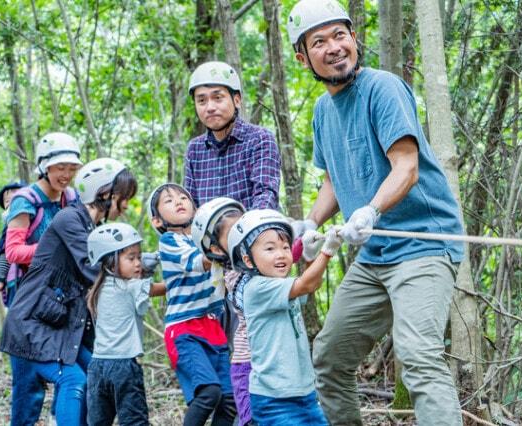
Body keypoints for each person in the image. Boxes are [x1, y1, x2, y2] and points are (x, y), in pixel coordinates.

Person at [287, 1, 466, 425]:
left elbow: (406, 164)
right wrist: (311, 222)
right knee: (329, 358)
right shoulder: (321, 112)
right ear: (303, 57)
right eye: (319, 41)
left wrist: (370, 210)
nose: (334, 47)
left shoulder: (382, 88)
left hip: (424, 244)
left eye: (340, 35)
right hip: (375, 258)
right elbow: (333, 179)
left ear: (354, 38)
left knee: (419, 358)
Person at [0, 158, 138, 426]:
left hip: (57, 325)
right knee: (72, 379)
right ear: (105, 193)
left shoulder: (91, 227)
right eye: (124, 197)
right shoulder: (69, 219)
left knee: (93, 373)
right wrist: (138, 276)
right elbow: (95, 270)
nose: (126, 204)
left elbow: (110, 265)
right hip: (32, 324)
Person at [226, 209, 342, 426]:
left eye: (286, 247)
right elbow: (306, 284)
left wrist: (308, 256)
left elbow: (309, 287)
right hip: (274, 398)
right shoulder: (256, 288)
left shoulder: (283, 287)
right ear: (248, 260)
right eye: (269, 249)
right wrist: (328, 251)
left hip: (304, 393)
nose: (280, 254)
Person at [148, 183, 236, 426]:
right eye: (168, 200)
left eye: (183, 197)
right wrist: (226, 244)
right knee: (209, 393)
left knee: (229, 401)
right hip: (184, 330)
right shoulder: (170, 241)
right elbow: (198, 262)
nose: (179, 201)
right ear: (157, 221)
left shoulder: (206, 241)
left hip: (212, 327)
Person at [85, 222, 166, 426]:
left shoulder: (100, 287)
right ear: (111, 261)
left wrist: (143, 267)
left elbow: (136, 277)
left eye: (139, 257)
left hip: (97, 366)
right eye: (131, 258)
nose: (138, 263)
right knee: (134, 421)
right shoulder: (131, 287)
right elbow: (161, 288)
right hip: (123, 367)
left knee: (97, 421)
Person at [184, 61, 281, 210]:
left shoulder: (259, 139)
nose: (210, 107)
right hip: (208, 232)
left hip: (255, 230)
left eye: (218, 98)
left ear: (237, 100)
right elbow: (191, 207)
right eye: (202, 100)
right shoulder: (194, 150)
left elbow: (265, 196)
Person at [190, 197, 253, 426]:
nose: (242, 237)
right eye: (233, 233)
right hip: (249, 367)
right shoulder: (236, 278)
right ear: (216, 248)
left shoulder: (256, 265)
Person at [4, 132, 82, 306]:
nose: (67, 175)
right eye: (61, 167)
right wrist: (53, 250)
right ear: (45, 167)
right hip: (31, 290)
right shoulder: (25, 201)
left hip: (65, 287)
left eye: (72, 168)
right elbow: (13, 252)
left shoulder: (73, 198)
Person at [0, 180, 26, 295]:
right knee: (3, 255)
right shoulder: (9, 215)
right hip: (13, 269)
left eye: (15, 198)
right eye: (7, 201)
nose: (11, 203)